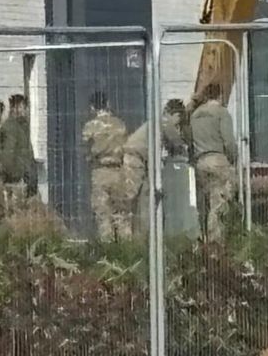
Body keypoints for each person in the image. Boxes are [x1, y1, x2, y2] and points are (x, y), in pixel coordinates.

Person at [122, 98, 188, 239]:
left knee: (143, 198)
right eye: (178, 119)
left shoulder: (157, 123)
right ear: (173, 114)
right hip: (135, 159)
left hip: (140, 160)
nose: (177, 123)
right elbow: (176, 142)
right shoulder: (164, 122)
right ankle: (127, 236)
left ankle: (140, 236)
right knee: (130, 198)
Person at [188, 85, 238, 244]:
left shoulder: (194, 115)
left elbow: (189, 140)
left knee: (205, 203)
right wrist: (233, 159)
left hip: (200, 162)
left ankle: (202, 237)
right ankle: (216, 244)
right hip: (218, 160)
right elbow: (228, 141)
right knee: (219, 204)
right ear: (220, 95)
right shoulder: (221, 113)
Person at [81, 91, 132, 239]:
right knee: (121, 213)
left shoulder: (90, 127)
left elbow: (85, 149)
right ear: (108, 104)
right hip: (119, 171)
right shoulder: (120, 124)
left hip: (100, 171)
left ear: (92, 107)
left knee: (103, 214)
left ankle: (107, 249)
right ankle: (127, 248)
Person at [0, 92, 38, 213]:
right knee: (16, 214)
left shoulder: (23, 125)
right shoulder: (10, 127)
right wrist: (15, 176)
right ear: (16, 107)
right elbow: (8, 154)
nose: (25, 110)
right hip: (16, 180)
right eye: (24, 107)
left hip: (25, 178)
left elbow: (27, 151)